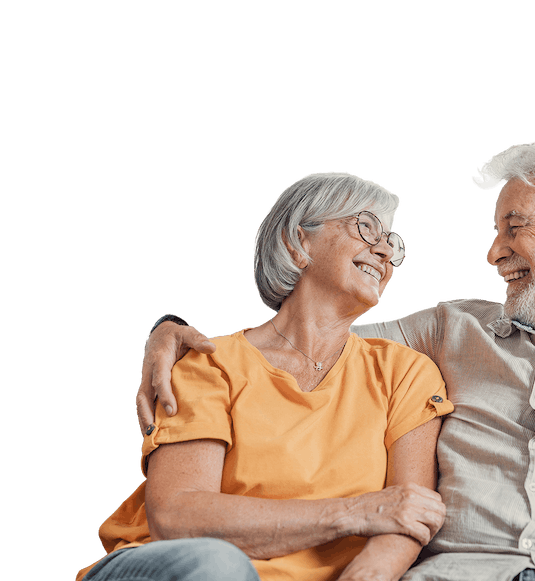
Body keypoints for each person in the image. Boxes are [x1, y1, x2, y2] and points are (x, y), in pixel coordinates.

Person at [138, 140, 535, 581]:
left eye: (514, 228)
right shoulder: (449, 330)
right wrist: (169, 331)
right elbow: (312, 327)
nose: (494, 252)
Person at [75, 173, 455, 581]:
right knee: (218, 566)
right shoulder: (211, 364)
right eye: (366, 227)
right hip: (176, 567)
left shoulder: (405, 373)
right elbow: (177, 516)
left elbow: (408, 515)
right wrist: (356, 512)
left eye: (392, 243)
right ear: (298, 243)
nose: (384, 251)